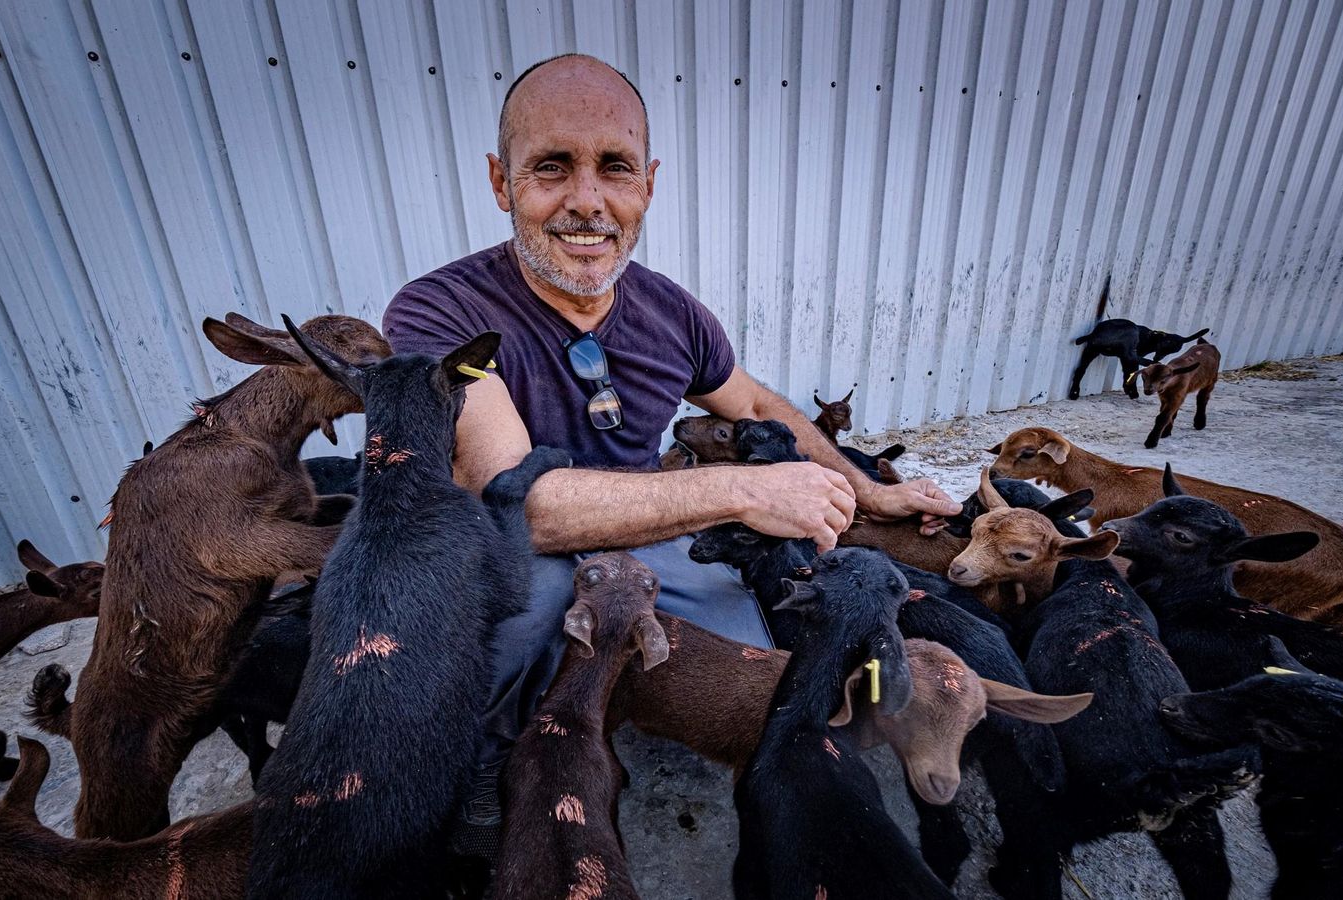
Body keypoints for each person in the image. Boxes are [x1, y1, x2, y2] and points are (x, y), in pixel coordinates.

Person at [381, 53, 962, 855]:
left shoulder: (672, 313)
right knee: (519, 624)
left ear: (647, 185)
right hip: (507, 548)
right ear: (500, 181)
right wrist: (741, 489)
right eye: (551, 167)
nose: (587, 200)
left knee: (756, 655)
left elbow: (757, 404)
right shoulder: (439, 311)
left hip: (646, 530)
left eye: (613, 168)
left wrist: (871, 491)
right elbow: (520, 501)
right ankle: (481, 772)